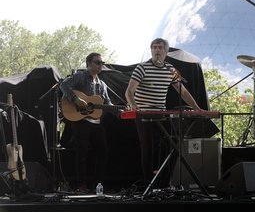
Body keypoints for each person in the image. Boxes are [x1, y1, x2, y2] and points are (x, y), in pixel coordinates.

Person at [125, 38, 203, 181]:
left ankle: (165, 179)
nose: (157, 50)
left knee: (172, 143)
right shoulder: (142, 68)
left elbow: (183, 92)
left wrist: (197, 109)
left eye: (160, 48)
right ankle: (148, 182)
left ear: (166, 52)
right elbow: (129, 92)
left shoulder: (170, 70)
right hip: (143, 114)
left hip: (161, 113)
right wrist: (134, 106)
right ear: (151, 50)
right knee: (147, 148)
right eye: (154, 47)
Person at [59, 52, 112, 193]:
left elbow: (107, 102)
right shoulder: (80, 76)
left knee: (103, 152)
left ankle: (97, 185)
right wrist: (75, 99)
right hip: (81, 121)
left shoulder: (102, 84)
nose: (101, 65)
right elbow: (63, 85)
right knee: (81, 153)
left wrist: (117, 109)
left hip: (96, 122)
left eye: (102, 63)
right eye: (97, 62)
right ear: (89, 64)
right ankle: (81, 185)